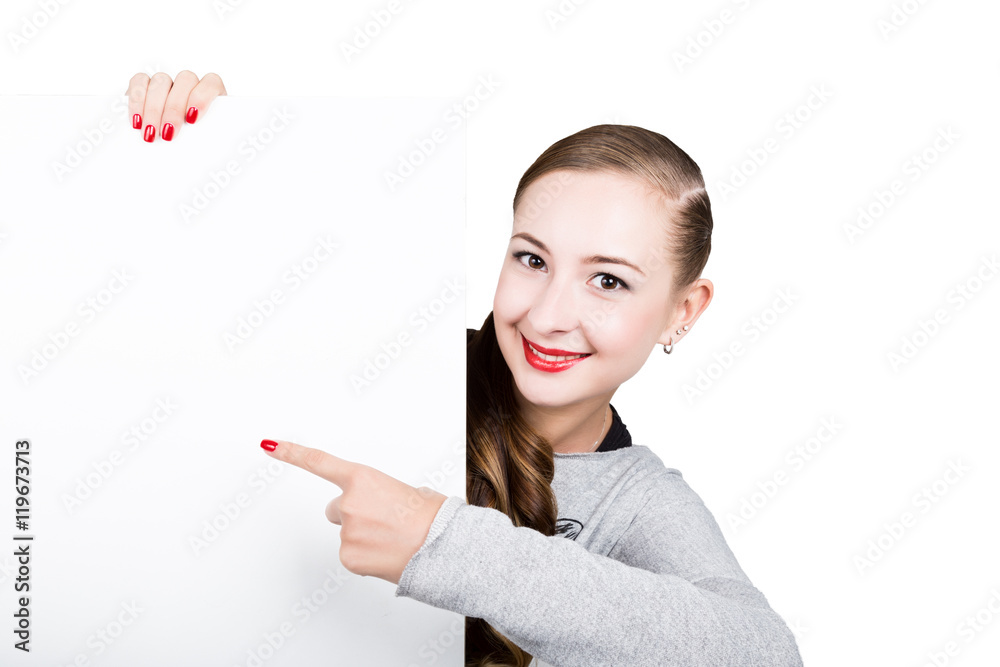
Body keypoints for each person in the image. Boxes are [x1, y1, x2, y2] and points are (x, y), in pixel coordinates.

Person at [128, 72, 803, 667]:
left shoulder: (640, 503)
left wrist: (441, 539)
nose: (545, 316)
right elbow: (250, 300)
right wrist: (207, 145)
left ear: (683, 310)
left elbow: (765, 656)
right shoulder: (399, 362)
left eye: (607, 280)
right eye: (531, 259)